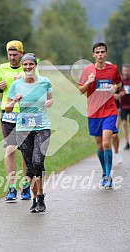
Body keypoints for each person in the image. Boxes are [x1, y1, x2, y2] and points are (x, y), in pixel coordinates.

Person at [5, 53, 53, 212]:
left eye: (30, 64)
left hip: (42, 127)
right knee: (30, 167)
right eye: (25, 65)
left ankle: (41, 196)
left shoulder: (45, 82)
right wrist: (14, 101)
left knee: (38, 161)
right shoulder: (16, 85)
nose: (27, 67)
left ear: (35, 66)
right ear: (22, 66)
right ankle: (35, 198)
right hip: (23, 129)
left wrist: (49, 102)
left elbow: (50, 98)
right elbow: (8, 109)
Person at [79, 42, 122, 189]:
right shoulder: (87, 70)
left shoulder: (113, 69)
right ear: (93, 55)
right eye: (97, 52)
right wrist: (89, 81)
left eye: (102, 52)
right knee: (99, 145)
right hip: (94, 112)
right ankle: (104, 172)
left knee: (106, 143)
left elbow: (119, 84)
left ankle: (108, 175)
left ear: (106, 54)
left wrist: (115, 87)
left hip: (110, 111)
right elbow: (80, 90)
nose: (100, 55)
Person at [0, 40, 31, 201]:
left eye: (15, 54)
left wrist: (21, 80)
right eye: (9, 54)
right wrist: (0, 86)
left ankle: (26, 185)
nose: (12, 57)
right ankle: (11, 187)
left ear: (21, 54)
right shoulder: (2, 67)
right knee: (9, 149)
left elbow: (35, 89)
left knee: (25, 151)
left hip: (25, 113)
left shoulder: (29, 68)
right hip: (7, 112)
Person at [120, 64, 130, 150]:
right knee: (124, 124)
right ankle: (127, 142)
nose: (126, 72)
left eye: (127, 70)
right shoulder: (120, 81)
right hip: (123, 106)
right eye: (124, 71)